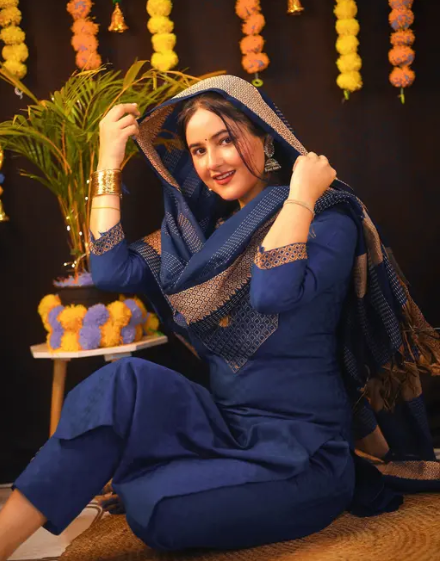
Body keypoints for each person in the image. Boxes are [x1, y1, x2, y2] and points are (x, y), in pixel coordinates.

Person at [1, 75, 439, 560]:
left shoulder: (327, 220)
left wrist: (299, 195)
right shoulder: (204, 239)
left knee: (157, 509)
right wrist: (108, 160)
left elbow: (272, 291)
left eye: (225, 140)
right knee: (121, 383)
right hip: (222, 427)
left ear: (266, 137)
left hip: (302, 451)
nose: (212, 162)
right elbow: (109, 269)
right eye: (198, 150)